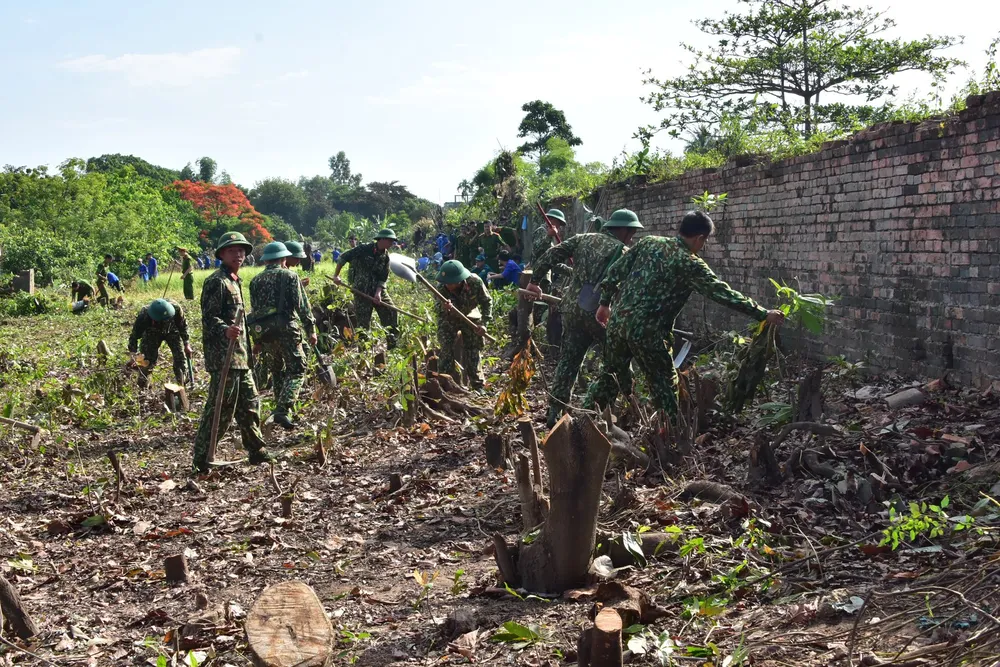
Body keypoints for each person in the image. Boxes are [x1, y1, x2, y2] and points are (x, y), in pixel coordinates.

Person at [584, 210, 786, 418]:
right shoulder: (690, 263)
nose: (703, 246)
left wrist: (604, 303)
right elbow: (724, 294)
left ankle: (582, 422)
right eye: (704, 241)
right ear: (699, 238)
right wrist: (762, 313)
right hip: (648, 333)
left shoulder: (649, 243)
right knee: (664, 387)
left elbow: (615, 271)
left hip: (618, 323)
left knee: (608, 378)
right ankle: (668, 437)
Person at [525, 209, 643, 426]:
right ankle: (602, 409)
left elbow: (549, 256)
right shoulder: (624, 252)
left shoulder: (581, 239)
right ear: (624, 230)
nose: (633, 237)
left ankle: (554, 412)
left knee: (569, 361)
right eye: (632, 232)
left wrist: (535, 281)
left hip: (572, 310)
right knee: (616, 362)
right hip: (600, 315)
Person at [191, 231, 274, 473]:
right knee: (221, 408)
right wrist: (225, 329)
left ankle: (256, 450)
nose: (238, 254)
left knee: (250, 404)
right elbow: (209, 317)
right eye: (232, 250)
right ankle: (202, 457)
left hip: (241, 356)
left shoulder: (235, 280)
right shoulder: (216, 281)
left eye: (241, 250)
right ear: (221, 254)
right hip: (223, 356)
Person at [248, 242, 317, 430]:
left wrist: (257, 340)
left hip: (265, 332)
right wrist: (311, 330)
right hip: (287, 328)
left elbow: (255, 312)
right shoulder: (290, 276)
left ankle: (280, 408)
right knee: (297, 369)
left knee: (277, 370)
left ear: (266, 260)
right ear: (284, 258)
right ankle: (283, 410)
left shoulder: (255, 281)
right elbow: (302, 306)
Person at [333, 228, 399, 348]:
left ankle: (392, 345)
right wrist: (336, 276)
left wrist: (378, 293)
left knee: (391, 311)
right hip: (361, 291)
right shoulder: (363, 249)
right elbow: (343, 257)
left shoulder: (386, 257)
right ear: (382, 239)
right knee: (363, 324)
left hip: (377, 291)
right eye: (390, 241)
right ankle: (364, 350)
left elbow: (383, 278)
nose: (392, 244)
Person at [435, 260, 492, 390]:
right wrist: (445, 308)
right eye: (446, 283)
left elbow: (486, 302)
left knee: (473, 349)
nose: (448, 286)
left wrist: (484, 323)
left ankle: (478, 385)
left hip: (470, 316)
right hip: (449, 319)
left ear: (459, 280)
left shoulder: (475, 282)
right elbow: (437, 308)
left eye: (451, 283)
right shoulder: (440, 288)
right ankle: (445, 384)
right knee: (446, 348)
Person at [128, 298, 191, 389]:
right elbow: (134, 336)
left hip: (172, 331)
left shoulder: (176, 309)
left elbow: (182, 326)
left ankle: (182, 385)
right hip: (152, 333)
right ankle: (143, 387)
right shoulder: (144, 316)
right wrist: (133, 355)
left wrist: (186, 343)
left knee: (180, 358)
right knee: (146, 360)